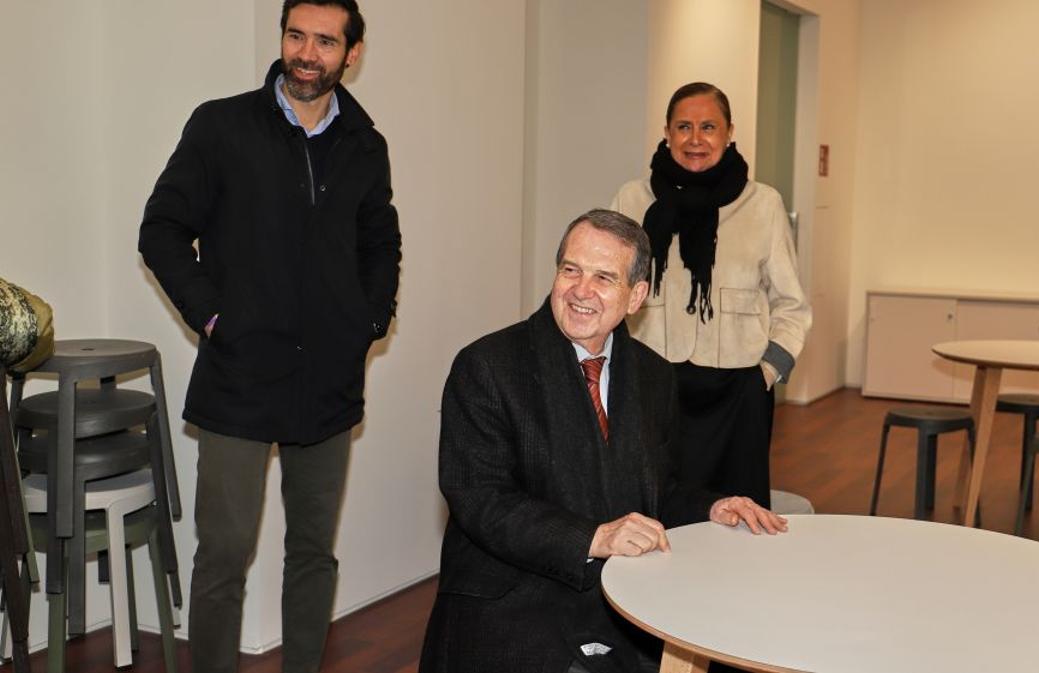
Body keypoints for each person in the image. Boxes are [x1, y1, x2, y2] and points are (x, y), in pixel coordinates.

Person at [137, 1, 400, 671]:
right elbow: (161, 229)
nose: (307, 53)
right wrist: (214, 316)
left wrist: (370, 319)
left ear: (352, 53)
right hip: (239, 377)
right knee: (223, 552)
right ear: (283, 38)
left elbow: (380, 240)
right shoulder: (221, 125)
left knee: (313, 550)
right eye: (296, 35)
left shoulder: (365, 144)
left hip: (329, 378)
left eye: (325, 41)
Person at [419, 209, 786, 673]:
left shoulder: (654, 375)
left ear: (636, 296)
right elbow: (481, 500)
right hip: (517, 604)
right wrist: (593, 538)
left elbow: (659, 491)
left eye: (603, 277)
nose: (581, 290)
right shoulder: (488, 366)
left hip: (622, 603)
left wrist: (711, 508)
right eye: (570, 269)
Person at [611, 82, 812, 509]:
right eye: (684, 126)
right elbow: (611, 288)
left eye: (708, 127)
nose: (695, 139)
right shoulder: (633, 200)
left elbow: (791, 302)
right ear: (666, 132)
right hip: (652, 387)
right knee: (652, 509)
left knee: (739, 515)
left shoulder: (763, 204)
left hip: (738, 392)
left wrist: (767, 373)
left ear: (729, 132)